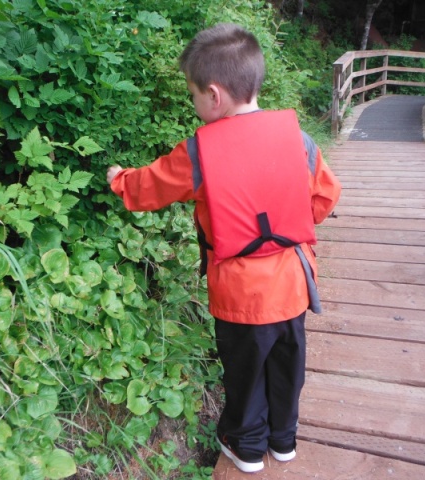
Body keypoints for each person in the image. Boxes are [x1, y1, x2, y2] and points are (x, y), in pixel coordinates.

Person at [106, 23, 341, 474]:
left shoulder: (199, 152)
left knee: (245, 372)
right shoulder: (300, 140)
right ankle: (284, 440)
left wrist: (119, 178)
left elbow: (148, 187)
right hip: (293, 284)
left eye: (193, 95)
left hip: (240, 295)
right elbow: (326, 197)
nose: (194, 104)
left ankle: (248, 449)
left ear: (213, 95)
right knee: (288, 367)